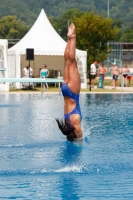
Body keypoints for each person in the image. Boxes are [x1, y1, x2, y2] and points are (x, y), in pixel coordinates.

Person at [55, 23, 82, 142]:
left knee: (72, 61)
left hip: (72, 92)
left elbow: (80, 139)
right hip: (65, 90)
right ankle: (69, 37)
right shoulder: (67, 122)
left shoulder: (75, 124)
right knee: (67, 60)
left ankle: (73, 36)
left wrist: (79, 141)